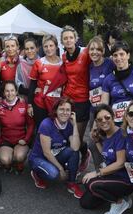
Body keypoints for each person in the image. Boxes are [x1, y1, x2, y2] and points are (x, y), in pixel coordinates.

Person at [80, 104, 133, 214]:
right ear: (96, 122)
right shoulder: (106, 134)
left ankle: (120, 202)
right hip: (112, 176)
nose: (104, 121)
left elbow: (120, 163)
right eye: (99, 120)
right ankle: (115, 195)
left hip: (125, 179)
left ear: (113, 117)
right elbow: (106, 155)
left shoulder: (121, 135)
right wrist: (96, 141)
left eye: (107, 117)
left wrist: (97, 173)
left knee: (92, 183)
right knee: (85, 203)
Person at [28, 97, 84, 199]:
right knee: (54, 174)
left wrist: (75, 125)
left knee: (73, 152)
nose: (65, 112)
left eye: (68, 110)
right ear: (56, 111)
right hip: (40, 157)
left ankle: (71, 183)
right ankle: (37, 173)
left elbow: (75, 147)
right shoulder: (46, 124)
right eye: (61, 109)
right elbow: (47, 153)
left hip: (55, 155)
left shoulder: (70, 125)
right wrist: (61, 169)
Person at [60, 25, 92, 173]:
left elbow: (103, 61)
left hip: (82, 100)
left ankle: (85, 153)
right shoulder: (64, 56)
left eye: (70, 37)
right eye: (65, 38)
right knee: (67, 135)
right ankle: (71, 164)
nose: (68, 40)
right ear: (62, 41)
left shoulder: (85, 53)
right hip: (67, 100)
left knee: (76, 138)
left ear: (76, 39)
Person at [101, 41, 133, 126]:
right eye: (115, 55)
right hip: (116, 125)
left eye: (122, 54)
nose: (118, 58)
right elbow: (104, 106)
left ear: (128, 55)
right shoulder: (108, 79)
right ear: (112, 57)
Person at [0, 81, 34, 173]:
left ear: (16, 92)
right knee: (5, 159)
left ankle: (19, 164)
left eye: (12, 90)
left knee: (19, 156)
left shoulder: (24, 104)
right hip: (6, 140)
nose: (10, 93)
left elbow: (31, 124)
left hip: (21, 140)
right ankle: (8, 166)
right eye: (7, 91)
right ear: (3, 93)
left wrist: (26, 139)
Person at [28, 34, 64, 129]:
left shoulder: (63, 63)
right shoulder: (39, 63)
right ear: (42, 48)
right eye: (45, 46)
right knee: (42, 130)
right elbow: (32, 85)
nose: (48, 49)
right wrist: (29, 105)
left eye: (51, 46)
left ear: (56, 46)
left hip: (58, 103)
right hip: (41, 103)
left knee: (57, 130)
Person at [87, 36, 114, 114]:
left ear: (103, 51)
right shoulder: (89, 66)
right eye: (92, 49)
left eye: (98, 49)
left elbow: (125, 66)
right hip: (94, 109)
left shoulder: (110, 63)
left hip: (109, 109)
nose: (94, 52)